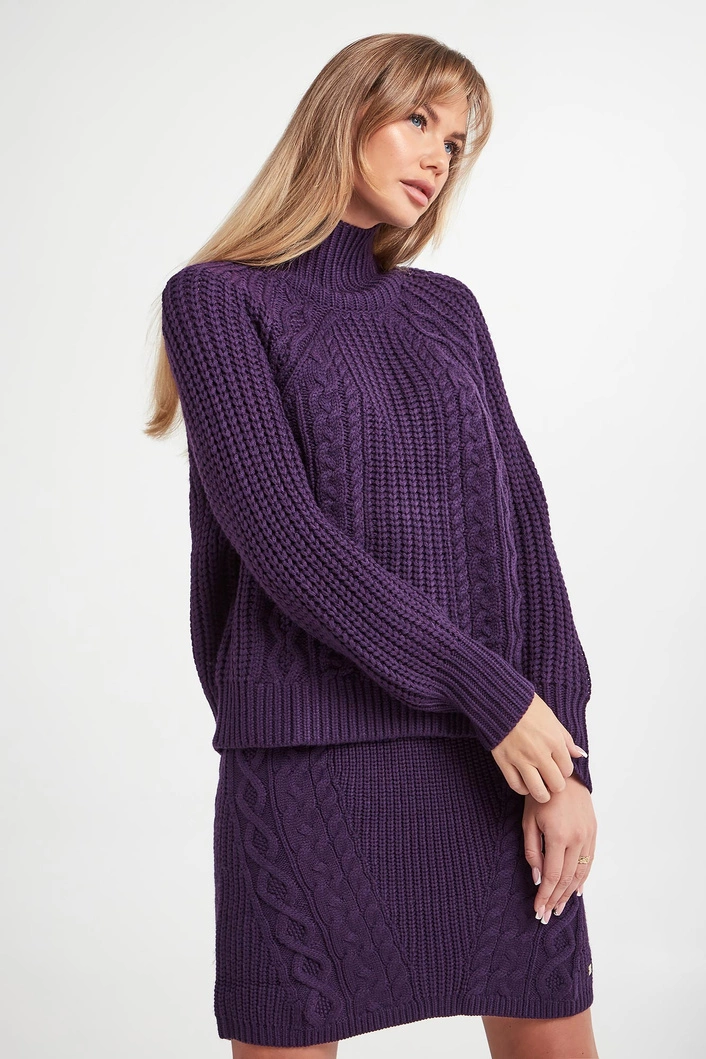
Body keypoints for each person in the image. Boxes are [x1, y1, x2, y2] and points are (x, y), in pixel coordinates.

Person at [145, 32, 600, 1059]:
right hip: (312, 759)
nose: (438, 156)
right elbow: (285, 542)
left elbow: (527, 536)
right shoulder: (216, 299)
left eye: (457, 141)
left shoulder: (446, 312)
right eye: (418, 120)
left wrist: (567, 760)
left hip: (497, 759)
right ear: (345, 114)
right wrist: (493, 695)